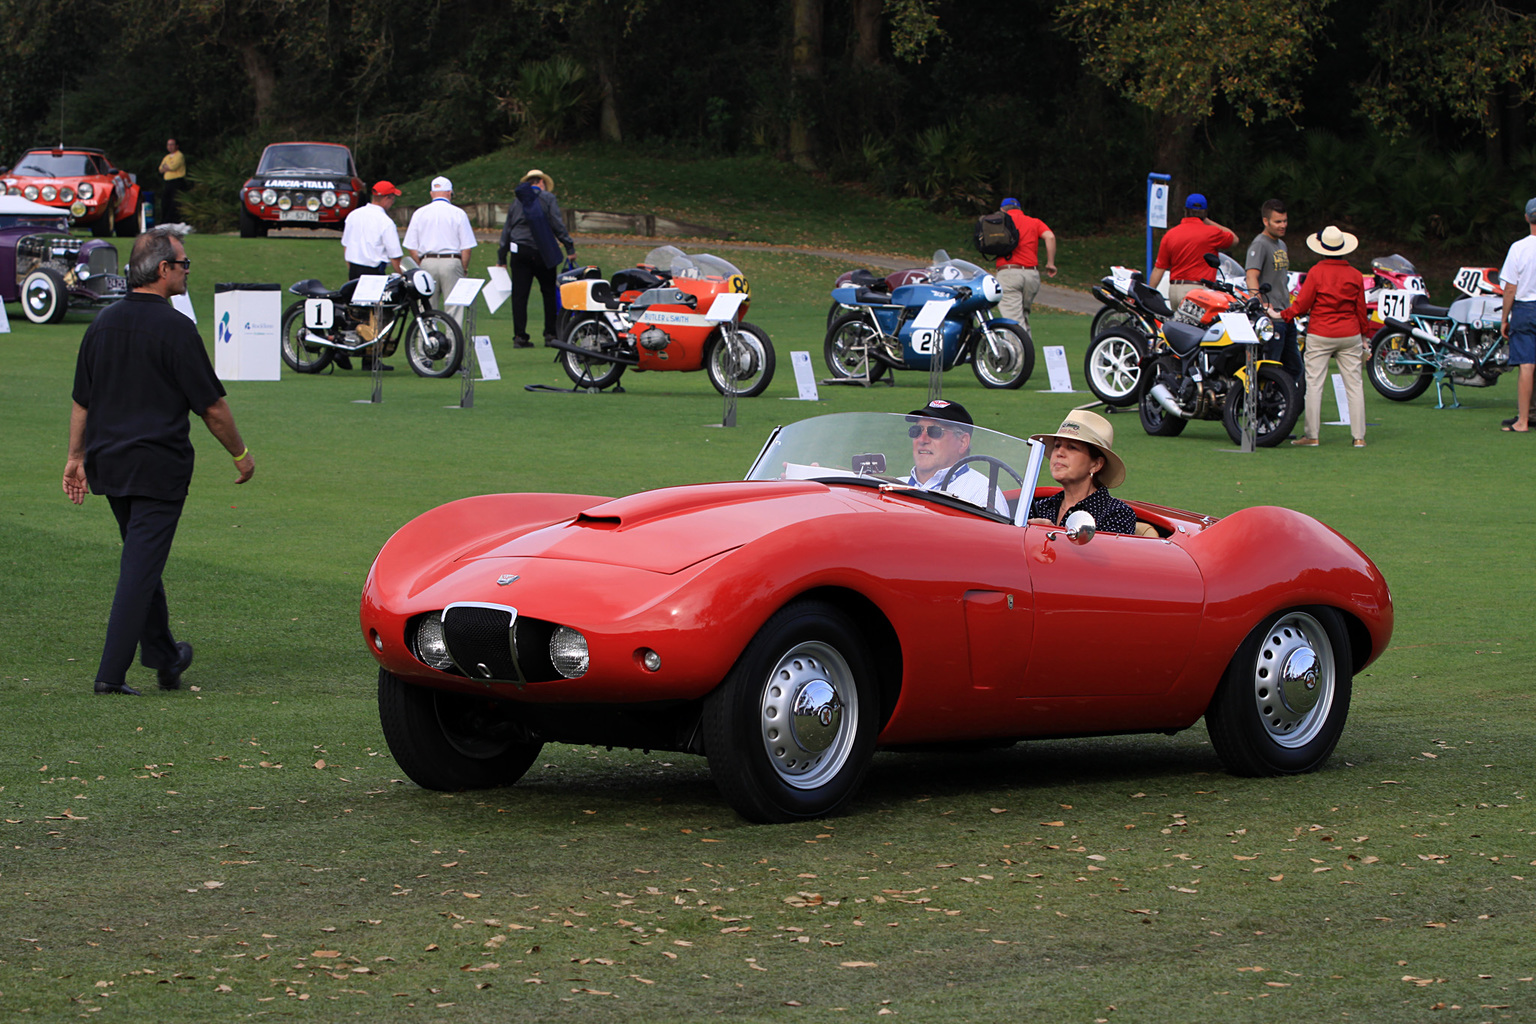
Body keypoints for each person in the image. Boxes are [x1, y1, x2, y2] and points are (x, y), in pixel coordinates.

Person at [62, 226, 255, 696]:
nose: (188, 270)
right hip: (157, 467)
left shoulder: (102, 323)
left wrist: (75, 457)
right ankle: (110, 674)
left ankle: (165, 656)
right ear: (163, 269)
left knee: (141, 560)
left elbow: (82, 402)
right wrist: (241, 454)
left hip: (109, 462)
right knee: (139, 567)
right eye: (183, 263)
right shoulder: (176, 328)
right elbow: (211, 407)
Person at [1274, 226, 1373, 447]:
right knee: (1355, 385)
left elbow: (1302, 304)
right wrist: (1364, 334)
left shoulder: (1317, 272)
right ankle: (1359, 437)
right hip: (1349, 334)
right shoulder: (1356, 275)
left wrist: (1283, 314)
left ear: (1322, 249)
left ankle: (1312, 435)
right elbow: (1360, 309)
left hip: (1321, 333)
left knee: (1314, 385)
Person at [498, 169, 576, 348]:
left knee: (519, 295)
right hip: (543, 251)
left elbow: (507, 229)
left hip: (520, 250)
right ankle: (550, 334)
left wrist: (501, 256)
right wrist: (569, 246)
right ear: (541, 182)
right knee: (548, 292)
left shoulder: (517, 200)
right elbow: (557, 224)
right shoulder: (548, 198)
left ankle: (520, 336)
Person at [1026, 410, 1136, 535]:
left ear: (1096, 464)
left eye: (1072, 447)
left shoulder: (1117, 513)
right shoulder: (1040, 507)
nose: (1059, 453)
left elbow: (1106, 554)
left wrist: (1051, 533)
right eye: (1057, 445)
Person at [902, 400, 1009, 515]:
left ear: (963, 442)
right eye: (916, 431)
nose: (922, 440)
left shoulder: (983, 495)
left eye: (935, 431)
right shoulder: (893, 487)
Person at [403, 175, 477, 328]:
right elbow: (466, 247)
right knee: (454, 308)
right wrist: (463, 267)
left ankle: (426, 346)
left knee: (426, 307)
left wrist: (421, 263)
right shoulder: (458, 213)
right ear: (449, 193)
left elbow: (411, 246)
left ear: (431, 194)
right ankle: (452, 349)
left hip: (427, 262)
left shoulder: (420, 213)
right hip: (451, 261)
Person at [1245, 198, 1303, 384]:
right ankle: (1265, 405)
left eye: (1285, 221)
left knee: (1294, 366)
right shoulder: (1260, 244)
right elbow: (1251, 276)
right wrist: (1260, 306)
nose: (1283, 225)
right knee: (1271, 365)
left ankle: (1286, 405)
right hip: (1271, 316)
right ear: (1265, 221)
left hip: (1285, 313)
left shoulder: (1281, 244)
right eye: (1278, 221)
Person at [1149, 193, 1238, 309]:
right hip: (1199, 291)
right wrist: (1207, 221)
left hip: (1175, 290)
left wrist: (1150, 294)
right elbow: (1234, 239)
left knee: (1178, 326)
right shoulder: (1212, 233)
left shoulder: (1170, 235)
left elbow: (1158, 268)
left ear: (1185, 211)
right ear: (1205, 212)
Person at [1497, 197, 1536, 432]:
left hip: (1526, 308)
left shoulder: (1519, 248)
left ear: (1526, 218)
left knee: (1527, 365)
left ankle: (1523, 420)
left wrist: (1504, 318)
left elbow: (1510, 287)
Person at [993, 197, 1056, 334]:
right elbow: (1050, 237)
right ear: (1019, 209)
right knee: (1023, 318)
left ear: (1002, 209)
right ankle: (1027, 354)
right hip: (1031, 275)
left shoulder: (999, 221)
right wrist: (1050, 263)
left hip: (1009, 273)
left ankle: (1020, 355)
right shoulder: (1034, 222)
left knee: (1013, 322)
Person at [341, 180, 404, 281]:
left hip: (353, 270)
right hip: (374, 272)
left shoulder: (353, 215)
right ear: (387, 198)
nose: (392, 202)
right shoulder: (386, 222)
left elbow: (346, 245)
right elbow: (395, 256)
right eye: (393, 199)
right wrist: (402, 277)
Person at [157, 139, 186, 225]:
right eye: (168, 145)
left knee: (174, 202)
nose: (170, 146)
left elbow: (173, 167)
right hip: (168, 182)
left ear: (176, 146)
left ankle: (173, 221)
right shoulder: (166, 157)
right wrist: (165, 167)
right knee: (165, 201)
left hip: (176, 181)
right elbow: (160, 169)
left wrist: (166, 167)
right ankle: (165, 220)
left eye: (172, 144)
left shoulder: (179, 155)